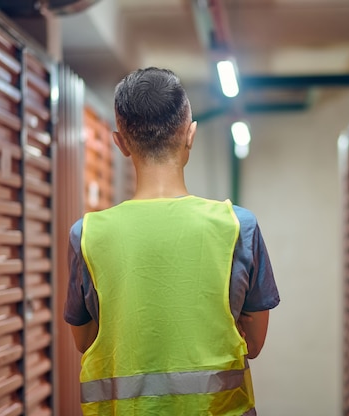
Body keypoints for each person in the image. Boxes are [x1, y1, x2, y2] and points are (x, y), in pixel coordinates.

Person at [64, 67, 280, 415]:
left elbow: (86, 341)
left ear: (120, 143)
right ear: (190, 135)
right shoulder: (238, 227)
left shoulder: (87, 234)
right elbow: (253, 344)